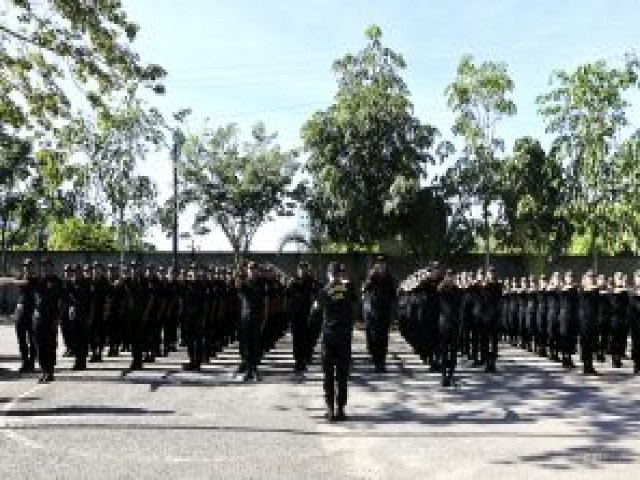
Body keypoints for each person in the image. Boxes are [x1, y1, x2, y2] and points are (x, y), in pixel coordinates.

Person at [317, 262, 357, 422]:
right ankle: (330, 407)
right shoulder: (324, 291)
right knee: (328, 375)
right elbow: (319, 305)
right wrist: (331, 289)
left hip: (343, 337)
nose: (337, 278)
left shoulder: (348, 289)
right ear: (329, 275)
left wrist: (343, 288)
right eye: (334, 275)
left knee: (342, 375)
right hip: (329, 337)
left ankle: (340, 408)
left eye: (340, 274)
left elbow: (353, 299)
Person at [0, 259, 38, 373]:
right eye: (25, 266)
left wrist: (10, 280)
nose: (27, 268)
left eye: (29, 266)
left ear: (32, 267)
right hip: (20, 313)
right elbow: (9, 280)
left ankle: (31, 363)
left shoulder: (34, 279)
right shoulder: (21, 276)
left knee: (32, 340)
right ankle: (25, 362)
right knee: (21, 340)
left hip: (31, 314)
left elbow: (21, 282)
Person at [362, 255, 397, 373]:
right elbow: (365, 289)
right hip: (373, 313)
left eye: (383, 263)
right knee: (374, 339)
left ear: (385, 265)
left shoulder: (389, 277)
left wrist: (392, 312)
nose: (381, 265)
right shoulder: (372, 277)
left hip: (385, 312)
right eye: (378, 263)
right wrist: (370, 277)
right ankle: (377, 362)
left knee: (384, 339)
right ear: (375, 265)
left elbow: (393, 295)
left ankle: (382, 363)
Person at [33, 258, 63, 382]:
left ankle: (50, 371)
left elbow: (62, 301)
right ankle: (43, 370)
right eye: (43, 266)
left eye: (47, 265)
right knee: (39, 346)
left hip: (51, 319)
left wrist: (58, 318)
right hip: (39, 319)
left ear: (52, 266)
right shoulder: (38, 281)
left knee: (50, 345)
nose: (45, 268)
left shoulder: (57, 281)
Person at [287, 261, 319, 374]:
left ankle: (304, 359)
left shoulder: (311, 281)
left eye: (304, 268)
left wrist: (315, 305)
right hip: (295, 315)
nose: (302, 270)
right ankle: (298, 362)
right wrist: (289, 284)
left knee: (306, 339)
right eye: (300, 268)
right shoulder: (293, 281)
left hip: (307, 314)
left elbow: (318, 293)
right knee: (296, 339)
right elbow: (287, 295)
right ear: (297, 269)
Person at [236, 262, 266, 381]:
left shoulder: (262, 283)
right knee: (246, 345)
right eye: (250, 269)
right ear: (248, 270)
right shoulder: (245, 283)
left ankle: (254, 368)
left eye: (254, 269)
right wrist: (238, 274)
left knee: (255, 344)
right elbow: (238, 290)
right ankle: (249, 370)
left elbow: (265, 301)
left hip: (257, 317)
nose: (252, 271)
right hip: (246, 318)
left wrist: (264, 317)